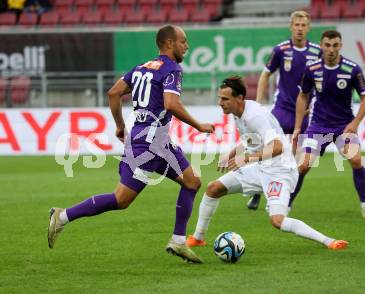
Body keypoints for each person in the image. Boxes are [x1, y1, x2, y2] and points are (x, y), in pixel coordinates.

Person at [47, 25, 215, 263]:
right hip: (146, 146)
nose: (187, 46)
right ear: (169, 43)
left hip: (157, 142)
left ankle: (178, 241)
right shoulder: (172, 69)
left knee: (192, 181)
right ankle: (61, 216)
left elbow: (113, 93)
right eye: (183, 41)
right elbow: (171, 104)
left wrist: (119, 126)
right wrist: (198, 125)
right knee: (121, 199)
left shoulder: (141, 68)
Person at [186, 76, 348, 251]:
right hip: (261, 167)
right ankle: (198, 238)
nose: (220, 103)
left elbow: (277, 147)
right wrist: (232, 153)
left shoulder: (254, 116)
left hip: (280, 171)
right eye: (219, 98)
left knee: (277, 220)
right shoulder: (238, 113)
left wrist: (246, 158)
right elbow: (252, 140)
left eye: (225, 99)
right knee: (213, 188)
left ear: (239, 98)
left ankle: (328, 241)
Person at [292, 30, 365, 219]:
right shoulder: (312, 69)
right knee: (303, 166)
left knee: (356, 160)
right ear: (322, 45)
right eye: (327, 45)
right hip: (318, 125)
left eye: (335, 45)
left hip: (343, 126)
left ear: (340, 46)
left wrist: (355, 122)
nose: (331, 49)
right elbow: (303, 96)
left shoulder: (352, 69)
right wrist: (298, 127)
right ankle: (286, 205)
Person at [247, 11, 321, 210]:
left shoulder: (317, 51)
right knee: (268, 152)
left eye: (303, 25)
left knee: (301, 164)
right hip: (280, 111)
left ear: (308, 27)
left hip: (303, 115)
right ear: (291, 26)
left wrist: (314, 105)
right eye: (296, 24)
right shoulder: (281, 50)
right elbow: (265, 75)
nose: (299, 28)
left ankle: (285, 202)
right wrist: (258, 103)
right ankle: (255, 191)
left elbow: (322, 82)